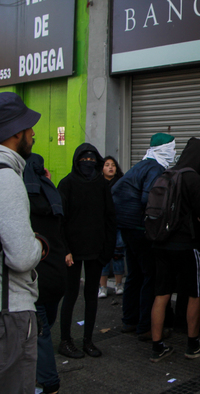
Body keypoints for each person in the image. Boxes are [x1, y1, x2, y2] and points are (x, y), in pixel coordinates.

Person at [149, 138, 200, 362]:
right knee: (195, 294)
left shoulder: (166, 173)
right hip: (188, 246)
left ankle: (157, 346)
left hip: (160, 243)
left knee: (162, 294)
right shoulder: (193, 179)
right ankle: (193, 344)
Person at [0, 92, 47, 393]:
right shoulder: (7, 180)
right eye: (29, 128)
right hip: (11, 313)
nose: (33, 134)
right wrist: (40, 246)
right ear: (16, 132)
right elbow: (20, 257)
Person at [111, 133, 176, 340]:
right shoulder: (155, 168)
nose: (174, 153)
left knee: (135, 275)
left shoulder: (141, 165)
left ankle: (129, 320)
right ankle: (146, 326)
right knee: (150, 276)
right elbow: (149, 197)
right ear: (165, 150)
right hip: (140, 230)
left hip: (127, 228)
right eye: (173, 149)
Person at [57, 143, 117, 358]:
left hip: (96, 251)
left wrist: (106, 250)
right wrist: (65, 249)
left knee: (91, 296)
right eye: (85, 160)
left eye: (92, 160)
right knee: (71, 295)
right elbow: (60, 220)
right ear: (77, 161)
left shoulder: (100, 184)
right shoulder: (67, 184)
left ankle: (88, 341)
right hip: (72, 252)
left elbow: (110, 218)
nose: (88, 163)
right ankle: (65, 340)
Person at [25, 154, 68, 394]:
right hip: (57, 274)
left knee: (40, 333)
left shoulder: (23, 203)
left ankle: (50, 383)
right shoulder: (53, 198)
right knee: (44, 326)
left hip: (37, 277)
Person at [98, 156, 125, 298]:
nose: (110, 167)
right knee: (103, 256)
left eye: (113, 165)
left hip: (118, 223)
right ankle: (102, 287)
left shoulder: (121, 183)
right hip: (102, 225)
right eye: (107, 165)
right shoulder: (97, 183)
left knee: (118, 253)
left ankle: (118, 284)